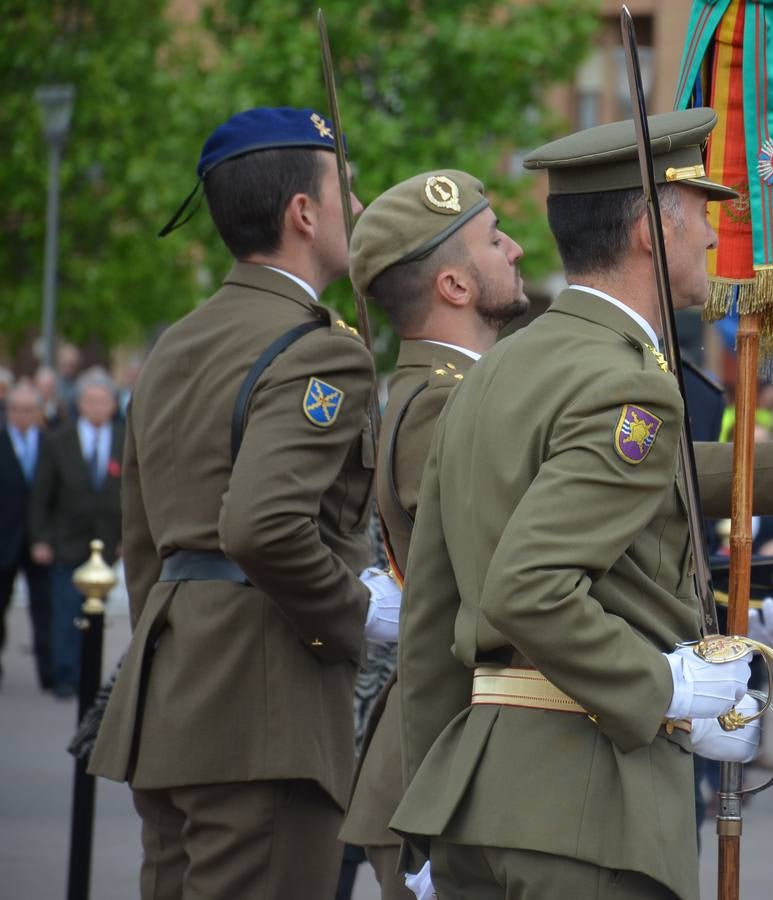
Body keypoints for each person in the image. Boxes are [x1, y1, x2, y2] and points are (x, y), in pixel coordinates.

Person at [391, 108, 773, 900]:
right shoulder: (628, 380)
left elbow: (433, 610)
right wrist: (666, 689)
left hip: (475, 797)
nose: (712, 234)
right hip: (588, 807)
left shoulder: (494, 369)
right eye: (702, 212)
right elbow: (528, 587)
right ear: (647, 232)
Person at [87, 107, 399, 900]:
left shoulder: (176, 345)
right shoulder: (322, 349)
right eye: (346, 191)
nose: (357, 211)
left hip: (176, 698)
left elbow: (143, 545)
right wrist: (353, 618)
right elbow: (262, 524)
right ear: (303, 213)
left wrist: (181, 655)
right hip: (265, 715)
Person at [336, 168, 528, 899]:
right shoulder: (436, 408)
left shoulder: (467, 392)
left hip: (465, 756)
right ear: (453, 286)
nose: (513, 250)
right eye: (493, 238)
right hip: (443, 766)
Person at [29, 370, 123, 699]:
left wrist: (127, 538)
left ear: (113, 404)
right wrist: (40, 538)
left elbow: (133, 493)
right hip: (65, 541)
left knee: (94, 613)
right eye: (91, 401)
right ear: (80, 404)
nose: (97, 407)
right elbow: (41, 494)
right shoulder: (59, 440)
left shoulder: (125, 440)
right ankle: (66, 675)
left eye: (103, 401)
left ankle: (89, 672)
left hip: (107, 543)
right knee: (66, 610)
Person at [1, 383, 54, 690]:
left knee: (44, 609)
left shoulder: (50, 443)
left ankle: (49, 673)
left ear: (38, 412)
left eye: (29, 410)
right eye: (17, 410)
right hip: (4, 539)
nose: (22, 416)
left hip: (38, 541)